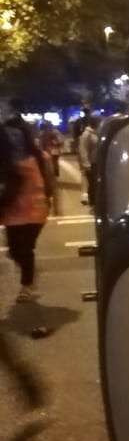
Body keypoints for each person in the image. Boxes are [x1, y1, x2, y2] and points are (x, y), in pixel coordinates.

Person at [1, 117, 55, 307]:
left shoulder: (40, 157)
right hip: (12, 211)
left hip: (36, 210)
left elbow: (50, 180)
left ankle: (26, 285)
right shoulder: (4, 161)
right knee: (15, 251)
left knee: (25, 248)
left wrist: (56, 203)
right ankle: (28, 272)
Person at [77, 114, 101, 209]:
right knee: (92, 183)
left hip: (98, 162)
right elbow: (83, 149)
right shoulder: (87, 134)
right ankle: (93, 202)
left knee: (97, 183)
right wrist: (86, 163)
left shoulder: (98, 133)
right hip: (91, 163)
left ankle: (97, 201)